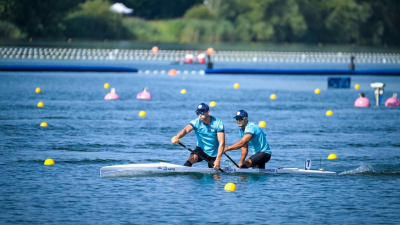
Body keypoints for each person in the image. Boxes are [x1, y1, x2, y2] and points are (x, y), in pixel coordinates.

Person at [171, 103, 225, 169]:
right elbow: (186, 130)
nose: (200, 115)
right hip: (201, 149)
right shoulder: (196, 122)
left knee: (215, 176)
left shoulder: (218, 124)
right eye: (198, 113)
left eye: (202, 112)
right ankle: (183, 174)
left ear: (208, 112)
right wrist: (177, 137)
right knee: (192, 158)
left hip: (214, 152)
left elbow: (222, 143)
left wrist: (218, 160)